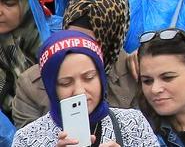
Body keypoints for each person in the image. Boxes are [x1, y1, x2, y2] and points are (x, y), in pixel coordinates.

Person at [12, 30, 160, 147]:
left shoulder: (133, 123)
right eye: (65, 83)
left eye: (89, 78)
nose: (80, 91)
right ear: (51, 87)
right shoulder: (27, 139)